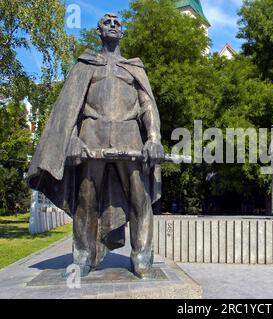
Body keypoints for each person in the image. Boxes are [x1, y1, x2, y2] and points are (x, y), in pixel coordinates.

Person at [27, 13, 165, 279]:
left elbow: (148, 106)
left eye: (117, 23)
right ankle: (83, 257)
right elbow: (70, 109)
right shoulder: (86, 65)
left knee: (140, 200)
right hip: (91, 138)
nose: (113, 25)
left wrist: (154, 139)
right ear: (99, 30)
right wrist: (72, 138)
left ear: (121, 33)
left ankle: (142, 259)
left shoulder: (133, 67)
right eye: (107, 22)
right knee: (86, 201)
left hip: (130, 139)